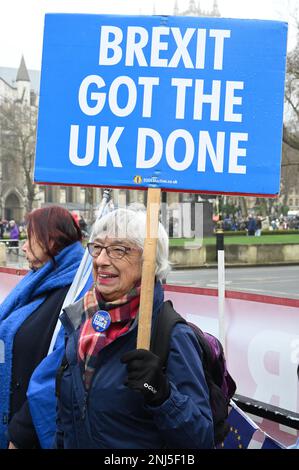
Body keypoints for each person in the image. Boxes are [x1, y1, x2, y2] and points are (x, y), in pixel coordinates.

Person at [55, 208, 214, 449]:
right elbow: (68, 420)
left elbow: (201, 439)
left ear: (150, 261)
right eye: (97, 247)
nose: (101, 260)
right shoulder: (81, 320)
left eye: (119, 250)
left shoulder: (172, 334)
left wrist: (162, 395)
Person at [0, 206, 84, 449]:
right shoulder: (37, 282)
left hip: (30, 430)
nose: (24, 246)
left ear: (51, 240)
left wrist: (20, 434)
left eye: (29, 238)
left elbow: (57, 371)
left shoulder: (74, 294)